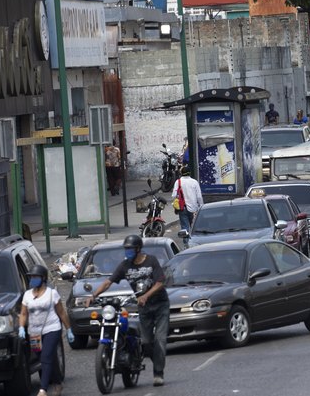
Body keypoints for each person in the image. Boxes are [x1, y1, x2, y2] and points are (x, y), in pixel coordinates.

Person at [87, 235, 170, 387]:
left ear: (138, 249)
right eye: (126, 249)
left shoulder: (151, 261)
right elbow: (108, 282)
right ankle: (156, 359)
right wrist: (93, 296)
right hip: (144, 308)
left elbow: (160, 282)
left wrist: (145, 295)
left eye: (130, 249)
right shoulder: (125, 265)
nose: (127, 252)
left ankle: (158, 372)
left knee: (160, 339)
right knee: (146, 342)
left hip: (160, 305)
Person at [19, 265, 75, 396]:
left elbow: (61, 312)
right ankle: (58, 382)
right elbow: (23, 314)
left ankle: (43, 389)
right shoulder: (27, 295)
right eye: (31, 277)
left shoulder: (51, 293)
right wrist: (21, 327)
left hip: (52, 329)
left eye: (35, 277)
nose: (33, 279)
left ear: (43, 278)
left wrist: (69, 329)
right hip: (34, 332)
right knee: (43, 358)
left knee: (46, 356)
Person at [172, 166, 204, 246]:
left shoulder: (178, 182)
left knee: (185, 227)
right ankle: (196, 243)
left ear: (181, 173)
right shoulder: (194, 182)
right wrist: (201, 206)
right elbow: (199, 196)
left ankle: (187, 245)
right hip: (194, 208)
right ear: (190, 173)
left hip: (183, 208)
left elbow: (174, 195)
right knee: (194, 227)